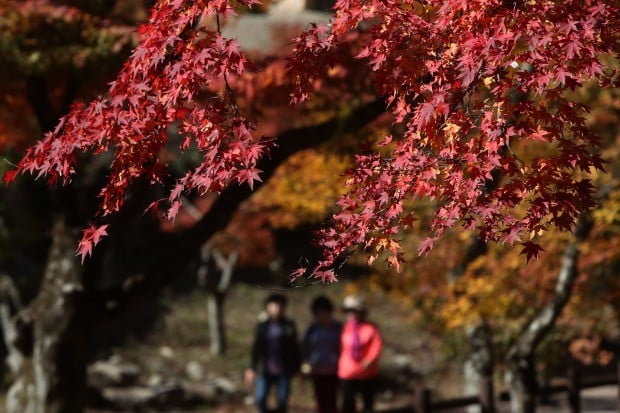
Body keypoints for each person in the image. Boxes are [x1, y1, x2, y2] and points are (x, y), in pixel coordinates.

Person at [245, 293, 301, 413]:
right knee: (260, 399)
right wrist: (251, 368)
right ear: (268, 307)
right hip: (264, 370)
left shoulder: (289, 326)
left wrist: (298, 367)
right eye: (274, 305)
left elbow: (295, 348)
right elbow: (256, 349)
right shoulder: (263, 326)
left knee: (282, 401)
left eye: (280, 306)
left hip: (284, 370)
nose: (277, 308)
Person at [338, 295, 383, 413]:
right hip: (347, 372)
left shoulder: (371, 328)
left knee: (368, 403)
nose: (351, 314)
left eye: (354, 311)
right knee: (348, 403)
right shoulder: (343, 328)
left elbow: (376, 346)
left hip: (367, 372)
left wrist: (370, 359)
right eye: (348, 311)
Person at [302, 296, 342, 413]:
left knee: (332, 400)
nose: (321, 315)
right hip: (317, 370)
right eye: (318, 313)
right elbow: (305, 347)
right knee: (320, 401)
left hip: (335, 370)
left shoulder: (338, 327)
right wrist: (305, 362)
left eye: (324, 312)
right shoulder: (312, 329)